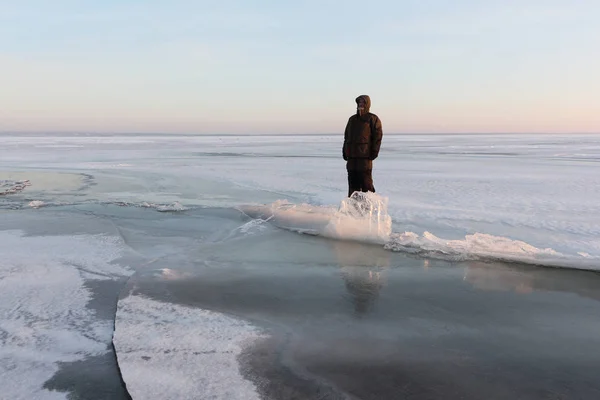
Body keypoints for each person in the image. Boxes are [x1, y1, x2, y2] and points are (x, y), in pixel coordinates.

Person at [342, 95, 383, 197]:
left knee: (366, 184)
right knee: (352, 185)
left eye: (363, 103)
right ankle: (353, 207)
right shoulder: (352, 119)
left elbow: (377, 137)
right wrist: (345, 151)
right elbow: (346, 137)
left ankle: (369, 206)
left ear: (367, 104)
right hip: (351, 158)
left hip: (364, 157)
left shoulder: (372, 118)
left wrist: (374, 151)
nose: (361, 104)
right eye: (359, 102)